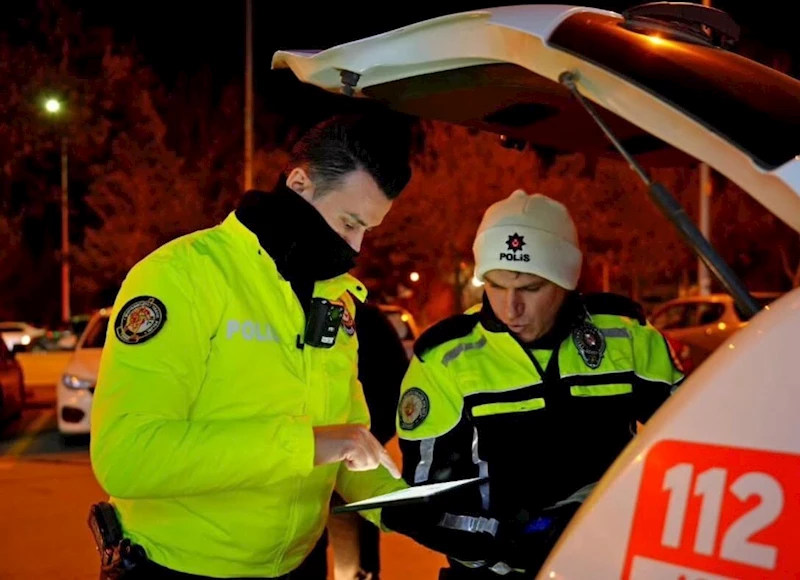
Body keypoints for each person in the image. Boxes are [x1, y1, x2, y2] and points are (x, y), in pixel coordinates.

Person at [89, 113, 415, 579]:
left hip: (297, 566)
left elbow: (346, 446)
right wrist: (307, 444)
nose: (356, 245)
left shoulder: (334, 296)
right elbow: (128, 455)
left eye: (367, 229)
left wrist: (400, 507)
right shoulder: (183, 276)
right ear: (300, 183)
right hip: (181, 569)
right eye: (349, 222)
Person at [381, 190, 684, 579]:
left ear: (566, 281)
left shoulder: (627, 338)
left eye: (530, 288)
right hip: (495, 573)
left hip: (611, 563)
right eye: (495, 285)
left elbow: (697, 445)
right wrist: (510, 540)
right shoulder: (446, 359)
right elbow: (427, 499)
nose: (511, 308)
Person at [295, 300, 410, 580]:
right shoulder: (290, 309)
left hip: (351, 463)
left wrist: (366, 438)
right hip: (300, 463)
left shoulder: (365, 319)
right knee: (307, 548)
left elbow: (397, 382)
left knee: (353, 557)